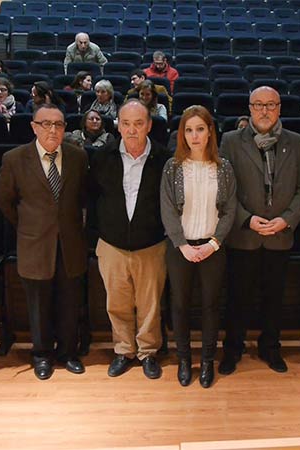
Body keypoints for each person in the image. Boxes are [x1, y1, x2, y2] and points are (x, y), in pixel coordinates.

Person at [218, 86, 300, 375]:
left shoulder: (296, 142)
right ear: (249, 108)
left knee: (274, 298)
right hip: (244, 235)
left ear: (280, 108)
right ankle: (232, 350)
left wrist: (287, 219)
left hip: (280, 236)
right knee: (237, 298)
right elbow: (224, 190)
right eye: (258, 105)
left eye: (271, 104)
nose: (265, 110)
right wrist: (246, 219)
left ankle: (270, 348)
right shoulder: (231, 141)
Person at [0, 104, 89, 380]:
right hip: (34, 245)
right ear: (34, 127)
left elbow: (83, 199)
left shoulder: (77, 156)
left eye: (59, 124)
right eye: (46, 124)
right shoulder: (14, 159)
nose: (53, 129)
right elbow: (5, 201)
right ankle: (42, 355)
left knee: (70, 303)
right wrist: (29, 226)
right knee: (38, 306)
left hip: (71, 245)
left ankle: (68, 353)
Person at [89, 100, 171, 379]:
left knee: (150, 305)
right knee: (117, 303)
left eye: (138, 123)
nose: (132, 130)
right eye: (126, 123)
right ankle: (124, 350)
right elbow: (92, 200)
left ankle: (148, 352)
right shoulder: (101, 157)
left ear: (149, 125)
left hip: (151, 244)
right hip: (111, 244)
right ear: (118, 125)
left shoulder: (164, 159)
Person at [160, 106, 237, 388]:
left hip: (212, 248)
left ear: (209, 132)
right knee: (179, 306)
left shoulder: (224, 167)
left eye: (200, 129)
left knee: (210, 306)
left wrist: (214, 243)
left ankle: (206, 360)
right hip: (180, 248)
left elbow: (230, 210)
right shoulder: (173, 167)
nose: (195, 136)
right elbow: (167, 209)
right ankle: (183, 359)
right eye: (189, 130)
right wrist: (182, 245)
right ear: (182, 134)